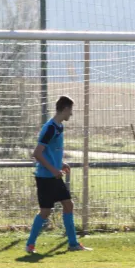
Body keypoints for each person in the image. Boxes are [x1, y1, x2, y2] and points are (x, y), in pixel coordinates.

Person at [25, 96, 92, 253]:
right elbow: (37, 154)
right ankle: (30, 245)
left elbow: (49, 152)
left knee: (68, 205)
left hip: (54, 176)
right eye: (71, 110)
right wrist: (54, 169)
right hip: (45, 177)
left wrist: (60, 164)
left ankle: (73, 244)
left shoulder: (59, 127)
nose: (72, 114)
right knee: (45, 212)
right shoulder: (50, 128)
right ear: (65, 109)